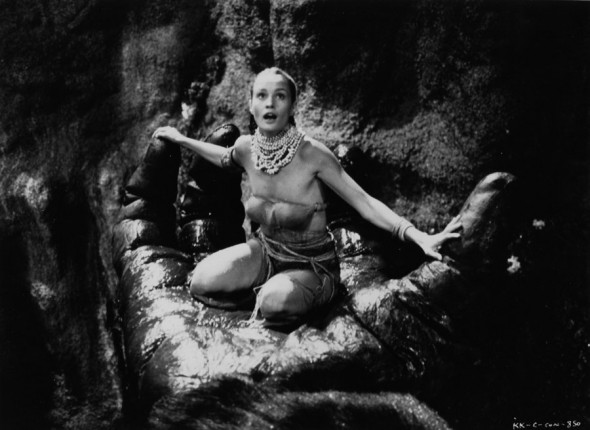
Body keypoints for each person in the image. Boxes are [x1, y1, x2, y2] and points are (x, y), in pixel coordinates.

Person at [152, 67, 461, 328]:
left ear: (292, 106)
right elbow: (224, 158)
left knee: (273, 302)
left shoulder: (313, 153)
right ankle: (264, 291)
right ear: (251, 105)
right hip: (266, 251)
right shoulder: (247, 147)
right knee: (201, 280)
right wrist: (181, 139)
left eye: (280, 96)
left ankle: (295, 296)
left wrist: (418, 236)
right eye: (261, 96)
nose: (270, 103)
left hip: (312, 264)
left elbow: (365, 202)